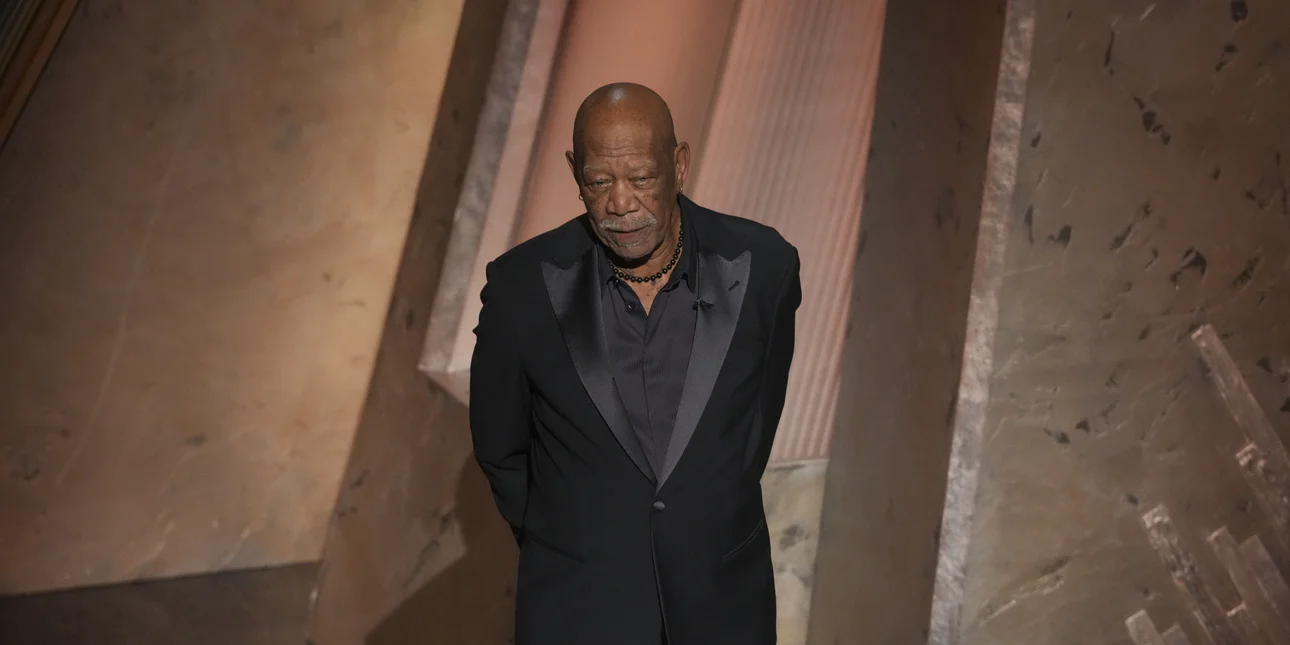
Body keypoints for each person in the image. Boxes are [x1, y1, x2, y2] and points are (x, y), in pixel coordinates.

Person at [469, 82, 801, 645]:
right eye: (599, 181)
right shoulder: (519, 288)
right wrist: (571, 542)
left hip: (723, 605)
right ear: (575, 174)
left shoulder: (764, 266)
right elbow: (501, 451)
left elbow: (754, 428)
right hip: (578, 612)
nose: (621, 204)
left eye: (642, 178)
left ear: (679, 165)